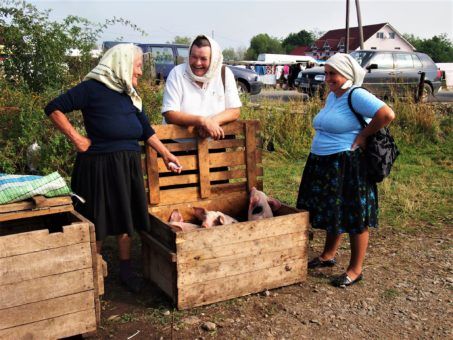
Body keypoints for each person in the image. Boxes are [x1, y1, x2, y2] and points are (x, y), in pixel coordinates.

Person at [44, 44, 181, 293]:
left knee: (125, 216)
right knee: (97, 218)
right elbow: (53, 108)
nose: (140, 72)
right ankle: (92, 272)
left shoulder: (128, 93)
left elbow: (146, 131)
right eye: (138, 66)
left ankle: (126, 270)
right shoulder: (91, 89)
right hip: (98, 167)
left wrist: (167, 154)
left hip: (126, 166)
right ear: (122, 63)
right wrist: (77, 138)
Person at [296, 53, 395, 287]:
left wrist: (363, 135)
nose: (328, 78)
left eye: (334, 73)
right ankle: (328, 255)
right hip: (325, 163)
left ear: (348, 75)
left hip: (347, 165)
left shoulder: (355, 94)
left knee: (354, 214)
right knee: (334, 210)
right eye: (326, 73)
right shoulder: (333, 96)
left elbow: (386, 114)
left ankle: (355, 269)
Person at [162, 35, 241, 139]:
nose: (198, 63)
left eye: (203, 59)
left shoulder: (224, 73)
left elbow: (234, 111)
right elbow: (170, 114)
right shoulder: (177, 73)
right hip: (180, 146)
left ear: (213, 60)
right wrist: (202, 121)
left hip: (215, 145)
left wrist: (211, 122)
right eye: (194, 57)